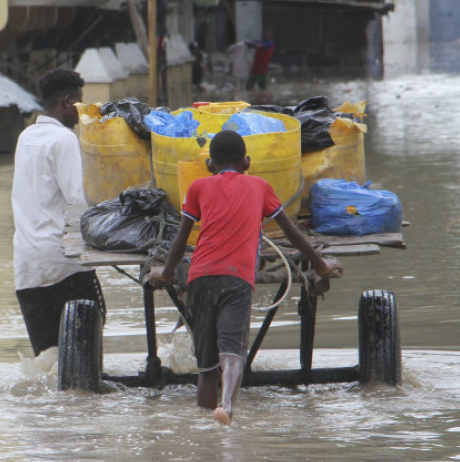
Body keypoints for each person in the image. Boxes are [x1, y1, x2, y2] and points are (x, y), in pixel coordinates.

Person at [147, 130, 343, 425]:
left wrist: (168, 272)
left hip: (199, 277)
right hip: (237, 279)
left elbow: (179, 240)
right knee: (232, 352)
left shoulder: (198, 187)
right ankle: (226, 408)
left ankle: (206, 425)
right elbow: (291, 232)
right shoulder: (260, 186)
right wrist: (320, 264)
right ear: (247, 162)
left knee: (207, 367)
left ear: (210, 164)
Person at [12, 68, 105, 357]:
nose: (80, 111)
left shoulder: (26, 137)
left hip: (27, 264)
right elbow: (77, 200)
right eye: (79, 102)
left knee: (48, 357)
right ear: (66, 102)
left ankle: (51, 404)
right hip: (63, 262)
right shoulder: (64, 139)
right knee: (89, 338)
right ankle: (85, 403)